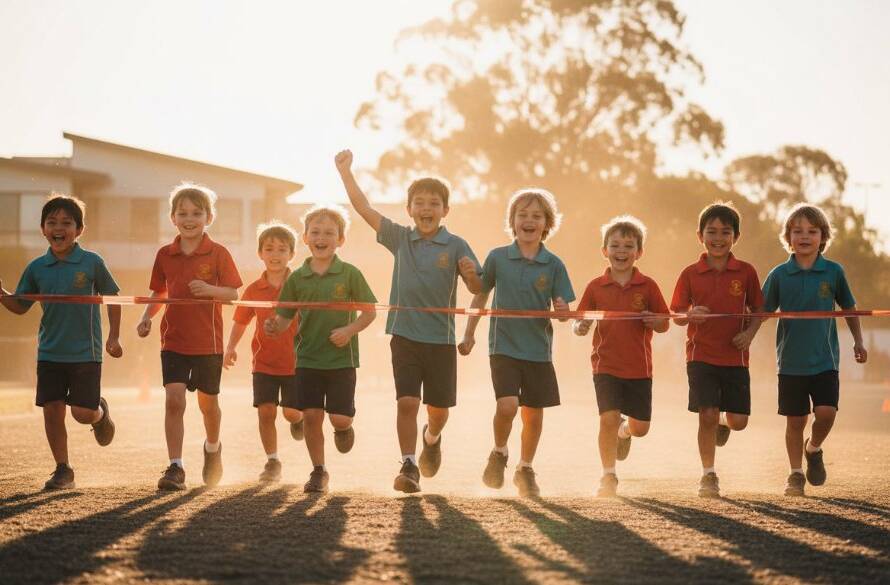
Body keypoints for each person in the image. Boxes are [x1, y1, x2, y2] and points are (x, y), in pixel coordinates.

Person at [335, 149, 482, 493]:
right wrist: (345, 173)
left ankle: (431, 438)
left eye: (434, 203)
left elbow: (477, 287)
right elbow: (364, 208)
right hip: (404, 336)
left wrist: (471, 274)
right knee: (407, 402)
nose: (426, 209)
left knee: (439, 410)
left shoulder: (457, 244)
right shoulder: (400, 237)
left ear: (445, 210)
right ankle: (409, 463)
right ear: (409, 210)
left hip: (441, 341)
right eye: (419, 203)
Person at [459, 189, 574, 497]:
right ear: (512, 221)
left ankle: (525, 468)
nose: (529, 221)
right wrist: (469, 332)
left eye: (536, 216)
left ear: (547, 224)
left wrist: (563, 311)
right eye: (522, 215)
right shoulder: (497, 257)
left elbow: (563, 311)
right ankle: (499, 452)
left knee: (534, 413)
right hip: (503, 347)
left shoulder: (554, 264)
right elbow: (481, 294)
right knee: (507, 405)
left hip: (538, 350)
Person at [0, 194, 120, 490]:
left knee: (81, 413)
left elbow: (114, 298)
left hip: (86, 353)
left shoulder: (92, 262)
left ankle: (99, 413)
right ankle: (62, 469)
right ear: (43, 228)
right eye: (52, 222)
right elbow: (20, 305)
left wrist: (113, 336)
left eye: (66, 222)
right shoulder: (37, 268)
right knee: (52, 409)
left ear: (79, 230)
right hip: (50, 353)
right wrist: (2, 294)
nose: (59, 227)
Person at [264, 204, 377, 493]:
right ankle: (318, 471)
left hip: (341, 360)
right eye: (315, 232)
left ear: (340, 239)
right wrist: (274, 325)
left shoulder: (350, 273)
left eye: (329, 233)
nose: (321, 237)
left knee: (338, 417)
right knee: (312, 417)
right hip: (307, 360)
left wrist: (349, 331)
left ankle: (344, 428)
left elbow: (369, 312)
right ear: (305, 238)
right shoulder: (297, 278)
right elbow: (284, 316)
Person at [137, 182, 242, 490]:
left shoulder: (219, 253)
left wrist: (211, 291)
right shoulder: (165, 255)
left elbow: (234, 293)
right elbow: (160, 291)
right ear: (173, 218)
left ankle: (212, 448)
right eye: (182, 213)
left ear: (208, 217)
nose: (189, 218)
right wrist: (146, 317)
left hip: (208, 343)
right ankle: (175, 466)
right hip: (174, 342)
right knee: (174, 400)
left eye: (197, 213)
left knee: (208, 405)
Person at [761, 203, 867, 496]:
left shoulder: (833, 271)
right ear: (788, 236)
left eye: (812, 231)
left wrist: (858, 341)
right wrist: (746, 334)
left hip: (825, 360)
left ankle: (814, 448)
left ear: (823, 236)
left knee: (826, 413)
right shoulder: (779, 274)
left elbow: (849, 307)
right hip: (791, 363)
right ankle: (795, 474)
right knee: (795, 421)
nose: (804, 236)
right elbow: (762, 310)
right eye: (798, 231)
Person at [670, 202, 763, 498]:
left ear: (736, 236)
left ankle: (725, 423)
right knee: (706, 414)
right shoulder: (689, 273)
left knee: (739, 421)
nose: (718, 238)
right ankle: (708, 475)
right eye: (712, 232)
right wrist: (689, 314)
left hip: (735, 358)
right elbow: (675, 313)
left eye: (725, 232)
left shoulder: (746, 272)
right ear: (700, 236)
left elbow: (759, 310)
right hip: (701, 357)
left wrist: (749, 333)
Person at [573, 216, 669, 497]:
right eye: (615, 245)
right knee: (608, 418)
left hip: (639, 368)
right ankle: (608, 476)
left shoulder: (648, 286)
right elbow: (581, 319)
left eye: (628, 246)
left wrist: (655, 321)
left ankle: (625, 433)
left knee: (641, 428)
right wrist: (580, 326)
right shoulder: (595, 286)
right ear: (605, 250)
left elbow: (665, 322)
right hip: (605, 365)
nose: (621, 251)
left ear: (639, 252)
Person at [225, 221, 304, 483]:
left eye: (282, 250)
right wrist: (231, 347)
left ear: (292, 254)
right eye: (269, 249)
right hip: (264, 364)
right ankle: (272, 461)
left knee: (291, 413)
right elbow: (241, 320)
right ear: (260, 253)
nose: (275, 255)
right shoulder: (253, 289)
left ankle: (298, 420)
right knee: (266, 411)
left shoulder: (301, 286)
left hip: (296, 363)